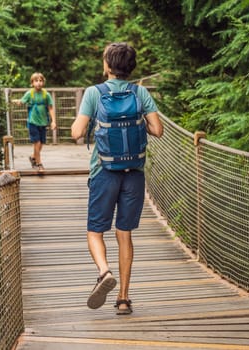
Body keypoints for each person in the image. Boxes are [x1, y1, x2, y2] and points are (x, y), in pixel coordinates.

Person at [71, 42, 163, 315]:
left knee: (95, 230)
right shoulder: (141, 92)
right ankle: (123, 298)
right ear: (130, 66)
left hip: (104, 172)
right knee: (125, 234)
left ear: (108, 65)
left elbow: (77, 132)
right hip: (133, 173)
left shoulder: (93, 93)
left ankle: (103, 272)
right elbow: (157, 130)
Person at [13, 72, 57, 172]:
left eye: (40, 81)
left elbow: (50, 108)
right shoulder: (30, 93)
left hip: (43, 122)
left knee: (41, 143)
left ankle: (33, 157)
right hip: (32, 122)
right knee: (37, 143)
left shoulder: (46, 94)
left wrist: (53, 121)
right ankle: (39, 163)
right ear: (32, 83)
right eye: (36, 81)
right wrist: (15, 101)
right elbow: (22, 102)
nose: (38, 83)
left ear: (43, 82)